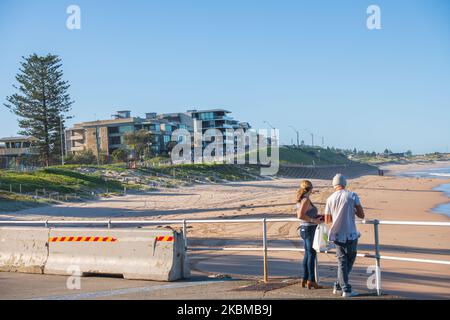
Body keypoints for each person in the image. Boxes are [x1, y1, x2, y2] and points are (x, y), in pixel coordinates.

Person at [324, 174, 365, 298]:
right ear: (345, 183)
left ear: (334, 185)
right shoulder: (352, 195)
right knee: (350, 259)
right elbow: (361, 215)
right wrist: (352, 210)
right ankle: (346, 289)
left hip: (336, 234)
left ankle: (338, 285)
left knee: (342, 261)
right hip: (350, 233)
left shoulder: (330, 199)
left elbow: (327, 219)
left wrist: (337, 214)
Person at [296, 180, 324, 289]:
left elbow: (301, 214)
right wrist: (313, 220)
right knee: (312, 254)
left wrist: (317, 217)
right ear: (311, 188)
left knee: (308, 254)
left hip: (304, 229)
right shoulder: (306, 200)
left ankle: (305, 278)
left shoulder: (300, 199)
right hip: (308, 229)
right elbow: (300, 215)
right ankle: (311, 280)